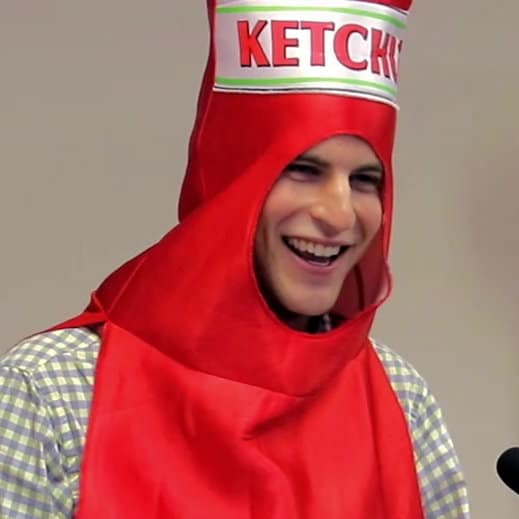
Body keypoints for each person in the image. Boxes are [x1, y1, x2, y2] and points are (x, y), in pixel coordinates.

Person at [0, 1, 470, 517]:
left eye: (365, 180)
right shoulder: (53, 391)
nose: (340, 214)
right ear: (231, 185)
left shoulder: (401, 398)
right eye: (302, 170)